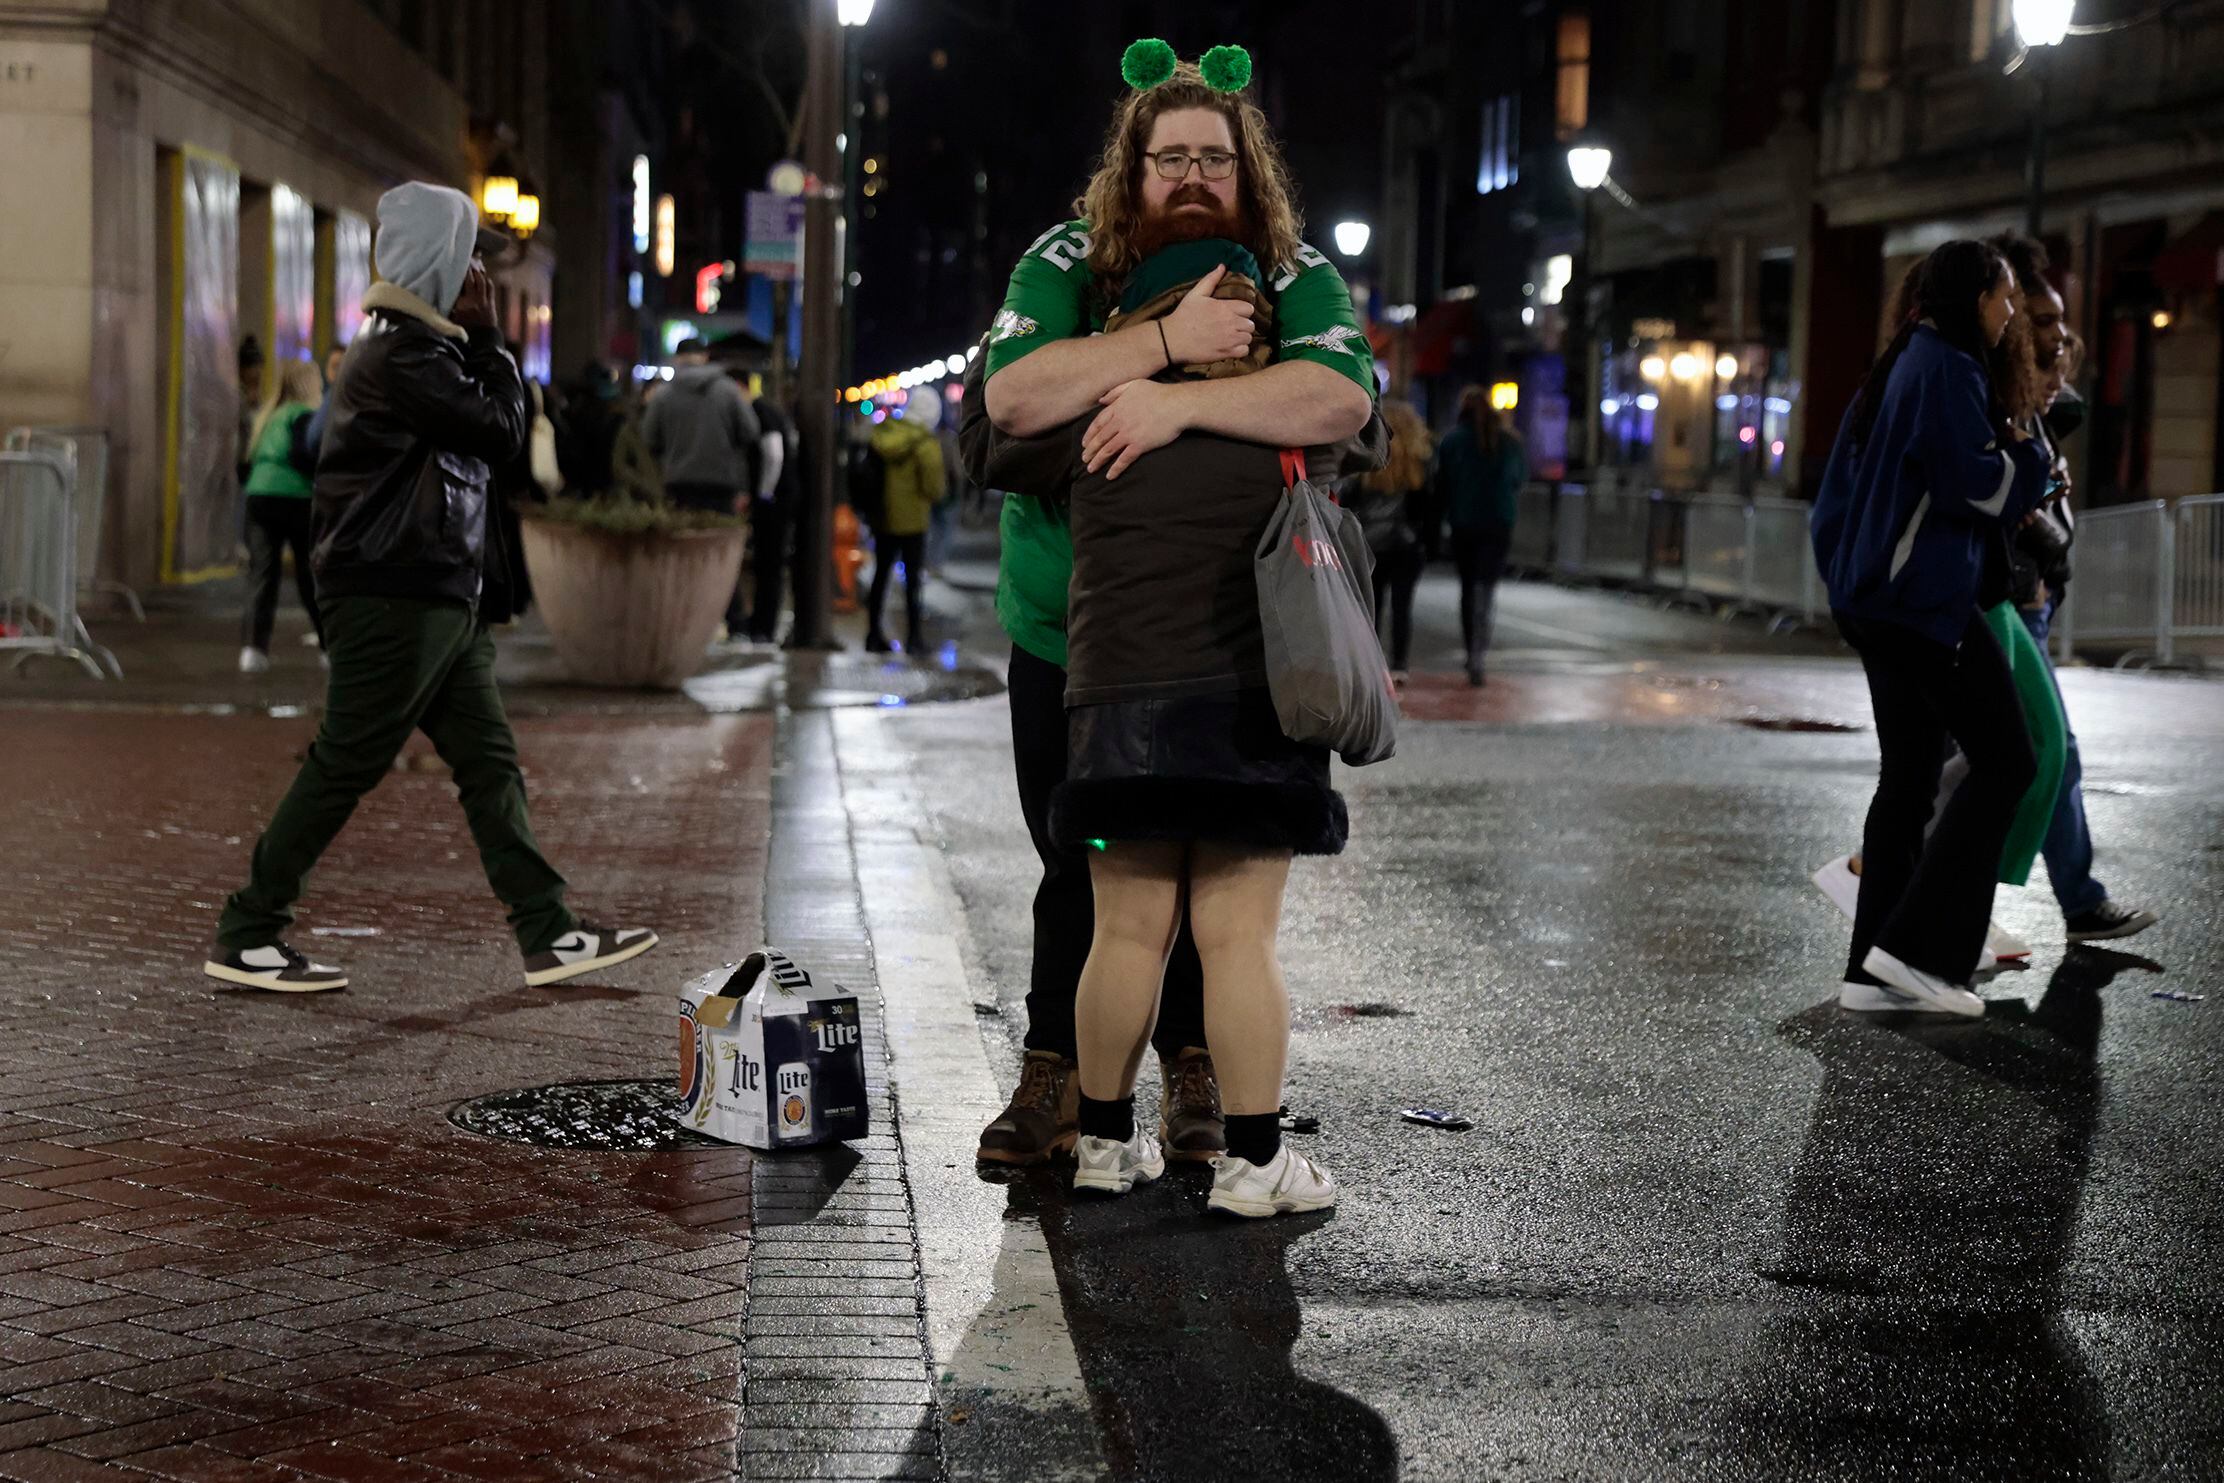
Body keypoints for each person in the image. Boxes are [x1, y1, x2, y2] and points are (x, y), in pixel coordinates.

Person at [980, 40, 1377, 1216]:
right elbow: (1010, 399)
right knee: (1122, 885)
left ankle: (1161, 1095)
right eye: (1171, 159)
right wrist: (1161, 349)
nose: (1194, 176)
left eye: (1215, 157)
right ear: (1131, 170)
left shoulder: (1289, 265)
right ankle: (1079, 1091)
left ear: (1246, 170)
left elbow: (1344, 397)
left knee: (1135, 903)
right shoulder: (1066, 257)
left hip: (1208, 644)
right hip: (1066, 633)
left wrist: (1165, 403)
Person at [204, 182, 657, 994]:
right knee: (346, 759)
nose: (478, 272)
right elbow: (502, 431)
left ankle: (548, 930)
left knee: (489, 763)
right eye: (467, 256)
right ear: (438, 262)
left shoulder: (415, 346)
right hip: (393, 589)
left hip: (436, 591)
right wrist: (490, 341)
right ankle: (248, 928)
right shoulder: (403, 351)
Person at [1809, 238, 2049, 1017]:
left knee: (1910, 779)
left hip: (1880, 601)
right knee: (2010, 759)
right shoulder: (1947, 366)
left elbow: (1835, 502)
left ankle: (1870, 973)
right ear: (1973, 297)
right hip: (1920, 606)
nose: (2009, 312)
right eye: (2004, 296)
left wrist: (1856, 581)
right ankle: (1919, 954)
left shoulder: (1901, 363)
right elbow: (1972, 487)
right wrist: (2032, 465)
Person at [2011, 330, 2159, 943]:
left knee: (1993, 759)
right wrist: (2025, 576)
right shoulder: (1995, 414)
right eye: (2047, 365)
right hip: (2008, 608)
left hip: (2027, 607)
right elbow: (1997, 509)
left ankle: (1928, 898)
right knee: (2051, 751)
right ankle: (2073, 901)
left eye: (2064, 365)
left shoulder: (2038, 419)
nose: (2057, 380)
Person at [1434, 385, 1527, 686]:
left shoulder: (1453, 441)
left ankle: (1471, 648)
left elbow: (1442, 484)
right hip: (1499, 520)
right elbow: (1518, 479)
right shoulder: (1510, 442)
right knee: (1487, 587)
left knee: (1468, 585)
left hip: (1464, 521)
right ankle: (1480, 649)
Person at [237, 359, 326, 673]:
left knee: (262, 573)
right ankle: (328, 646)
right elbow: (304, 455)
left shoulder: (267, 416)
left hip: (259, 497)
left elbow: (243, 464)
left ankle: (253, 650)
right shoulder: (304, 416)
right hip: (296, 498)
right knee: (309, 574)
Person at [1342, 398, 1430, 683]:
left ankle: (1372, 662)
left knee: (1373, 604)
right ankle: (1400, 665)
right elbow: (1429, 505)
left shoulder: (1369, 457)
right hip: (1407, 545)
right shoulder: (1420, 462)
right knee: (1403, 607)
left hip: (1371, 541)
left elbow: (1349, 497)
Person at [642, 338, 760, 523]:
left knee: (683, 543)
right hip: (722, 483)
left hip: (678, 483)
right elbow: (750, 431)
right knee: (717, 541)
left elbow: (649, 438)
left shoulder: (662, 395)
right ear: (705, 357)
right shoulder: (728, 390)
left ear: (677, 359)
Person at [863, 400, 947, 654]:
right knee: (912, 582)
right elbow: (935, 487)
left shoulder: (884, 432)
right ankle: (914, 639)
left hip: (883, 517)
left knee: (880, 576)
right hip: (913, 521)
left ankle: (873, 634)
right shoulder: (925, 443)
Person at [745, 387, 798, 643]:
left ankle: (763, 627)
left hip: (773, 503)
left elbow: (774, 454)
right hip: (778, 499)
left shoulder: (760, 412)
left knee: (768, 565)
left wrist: (764, 493)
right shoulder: (768, 411)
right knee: (769, 566)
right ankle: (762, 624)